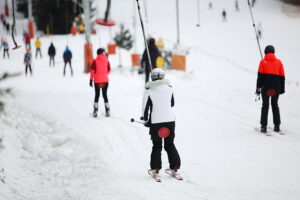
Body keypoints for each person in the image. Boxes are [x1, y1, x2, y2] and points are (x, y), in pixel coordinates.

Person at [142, 68, 181, 180]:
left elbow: (145, 108)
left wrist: (145, 120)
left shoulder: (149, 90)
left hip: (155, 122)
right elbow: (172, 103)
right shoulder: (170, 88)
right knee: (170, 144)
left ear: (152, 77)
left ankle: (155, 170)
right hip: (170, 121)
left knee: (157, 146)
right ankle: (175, 169)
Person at [256, 45, 285, 133]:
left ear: (265, 52)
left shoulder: (262, 62)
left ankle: (263, 127)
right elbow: (282, 77)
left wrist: (258, 88)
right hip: (276, 87)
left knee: (265, 105)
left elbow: (259, 77)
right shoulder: (279, 62)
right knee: (274, 105)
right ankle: (277, 126)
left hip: (266, 88)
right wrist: (282, 88)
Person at [89, 48, 111, 118]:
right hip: (105, 80)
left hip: (97, 80)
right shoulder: (107, 60)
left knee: (97, 95)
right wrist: (104, 74)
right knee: (105, 95)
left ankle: (95, 111)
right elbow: (108, 70)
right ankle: (107, 111)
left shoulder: (95, 61)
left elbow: (92, 71)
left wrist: (90, 80)